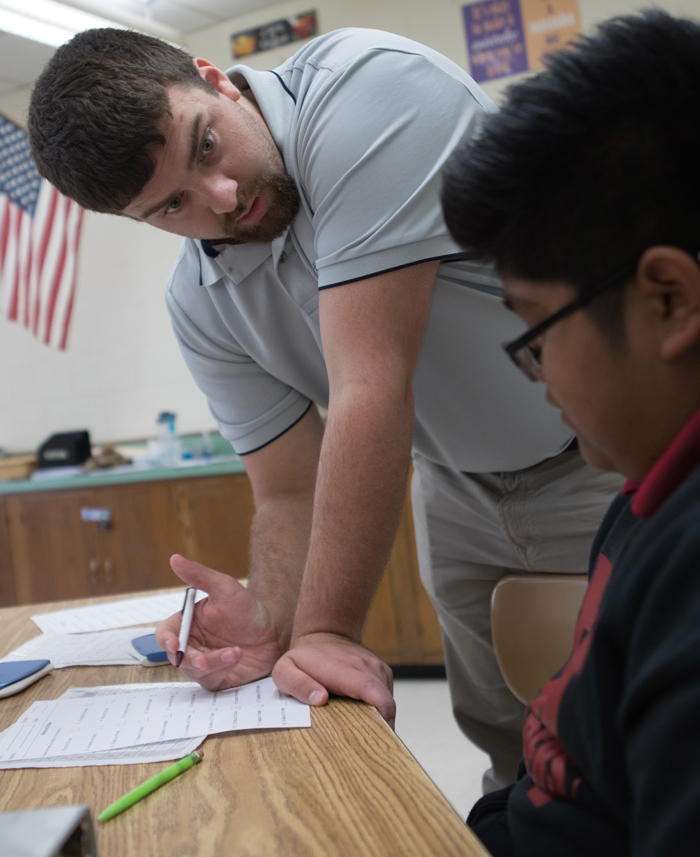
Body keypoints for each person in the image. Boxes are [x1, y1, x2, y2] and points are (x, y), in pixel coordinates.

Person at [28, 27, 619, 793]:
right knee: (516, 750)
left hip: (610, 450)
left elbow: (371, 383)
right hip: (459, 486)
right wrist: (274, 614)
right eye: (171, 205)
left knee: (649, 736)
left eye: (207, 145)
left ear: (218, 79)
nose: (222, 197)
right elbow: (287, 487)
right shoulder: (202, 306)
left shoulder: (367, 91)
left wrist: (327, 630)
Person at [440, 9, 700, 854]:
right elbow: (556, 781)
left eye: (538, 330)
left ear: (669, 298)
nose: (539, 373)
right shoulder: (642, 495)